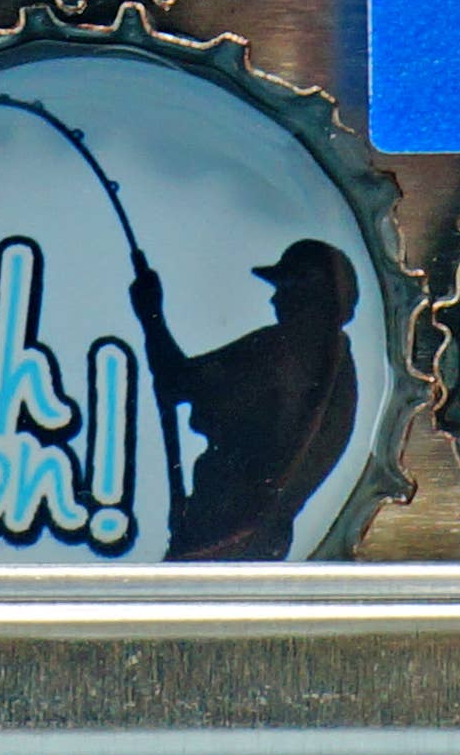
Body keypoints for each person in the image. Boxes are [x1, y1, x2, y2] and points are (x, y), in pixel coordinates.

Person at [127, 240, 360, 560]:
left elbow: (176, 381)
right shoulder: (341, 368)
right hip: (264, 539)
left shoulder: (280, 350)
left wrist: (151, 315)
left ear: (308, 291)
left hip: (220, 532)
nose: (274, 298)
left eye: (284, 286)